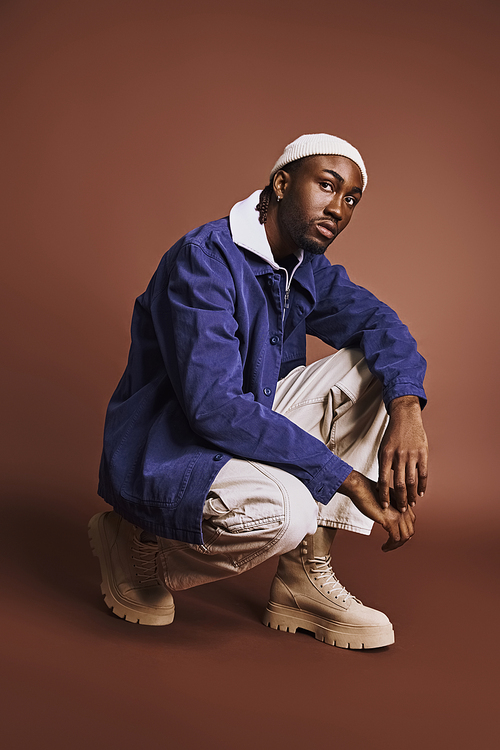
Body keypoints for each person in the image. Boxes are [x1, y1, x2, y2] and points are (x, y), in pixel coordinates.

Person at [89, 133, 428, 649]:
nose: (338, 208)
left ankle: (302, 579)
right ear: (281, 183)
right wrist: (350, 481)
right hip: (178, 445)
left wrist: (407, 410)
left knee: (377, 370)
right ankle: (137, 538)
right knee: (288, 512)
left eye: (351, 198)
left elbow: (382, 324)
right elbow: (214, 407)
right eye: (327, 186)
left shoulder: (304, 267)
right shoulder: (203, 261)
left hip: (247, 426)